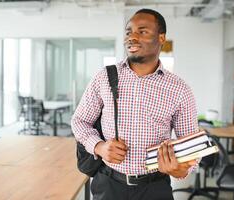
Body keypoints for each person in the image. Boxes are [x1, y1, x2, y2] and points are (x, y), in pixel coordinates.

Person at [71, 8, 199, 200]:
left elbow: (191, 148)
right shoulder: (105, 77)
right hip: (108, 184)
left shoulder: (179, 89)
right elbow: (79, 121)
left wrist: (179, 170)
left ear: (161, 38)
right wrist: (99, 147)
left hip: (154, 188)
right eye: (129, 32)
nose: (132, 37)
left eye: (142, 31)